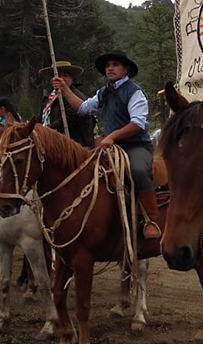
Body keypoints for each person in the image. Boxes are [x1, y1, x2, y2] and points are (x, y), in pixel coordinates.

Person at [52, 51, 161, 240]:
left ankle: (151, 220)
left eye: (115, 64)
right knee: (85, 170)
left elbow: (137, 124)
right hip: (110, 147)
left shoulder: (134, 92)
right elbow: (82, 107)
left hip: (135, 146)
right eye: (108, 65)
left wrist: (112, 136)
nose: (110, 68)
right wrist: (65, 89)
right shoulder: (104, 92)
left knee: (138, 170)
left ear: (125, 69)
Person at [39, 61, 96, 148]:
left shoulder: (76, 98)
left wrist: (41, 130)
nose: (61, 79)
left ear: (72, 78)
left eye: (65, 75)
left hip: (77, 149)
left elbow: (66, 121)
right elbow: (40, 118)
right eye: (56, 75)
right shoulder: (49, 98)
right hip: (53, 147)